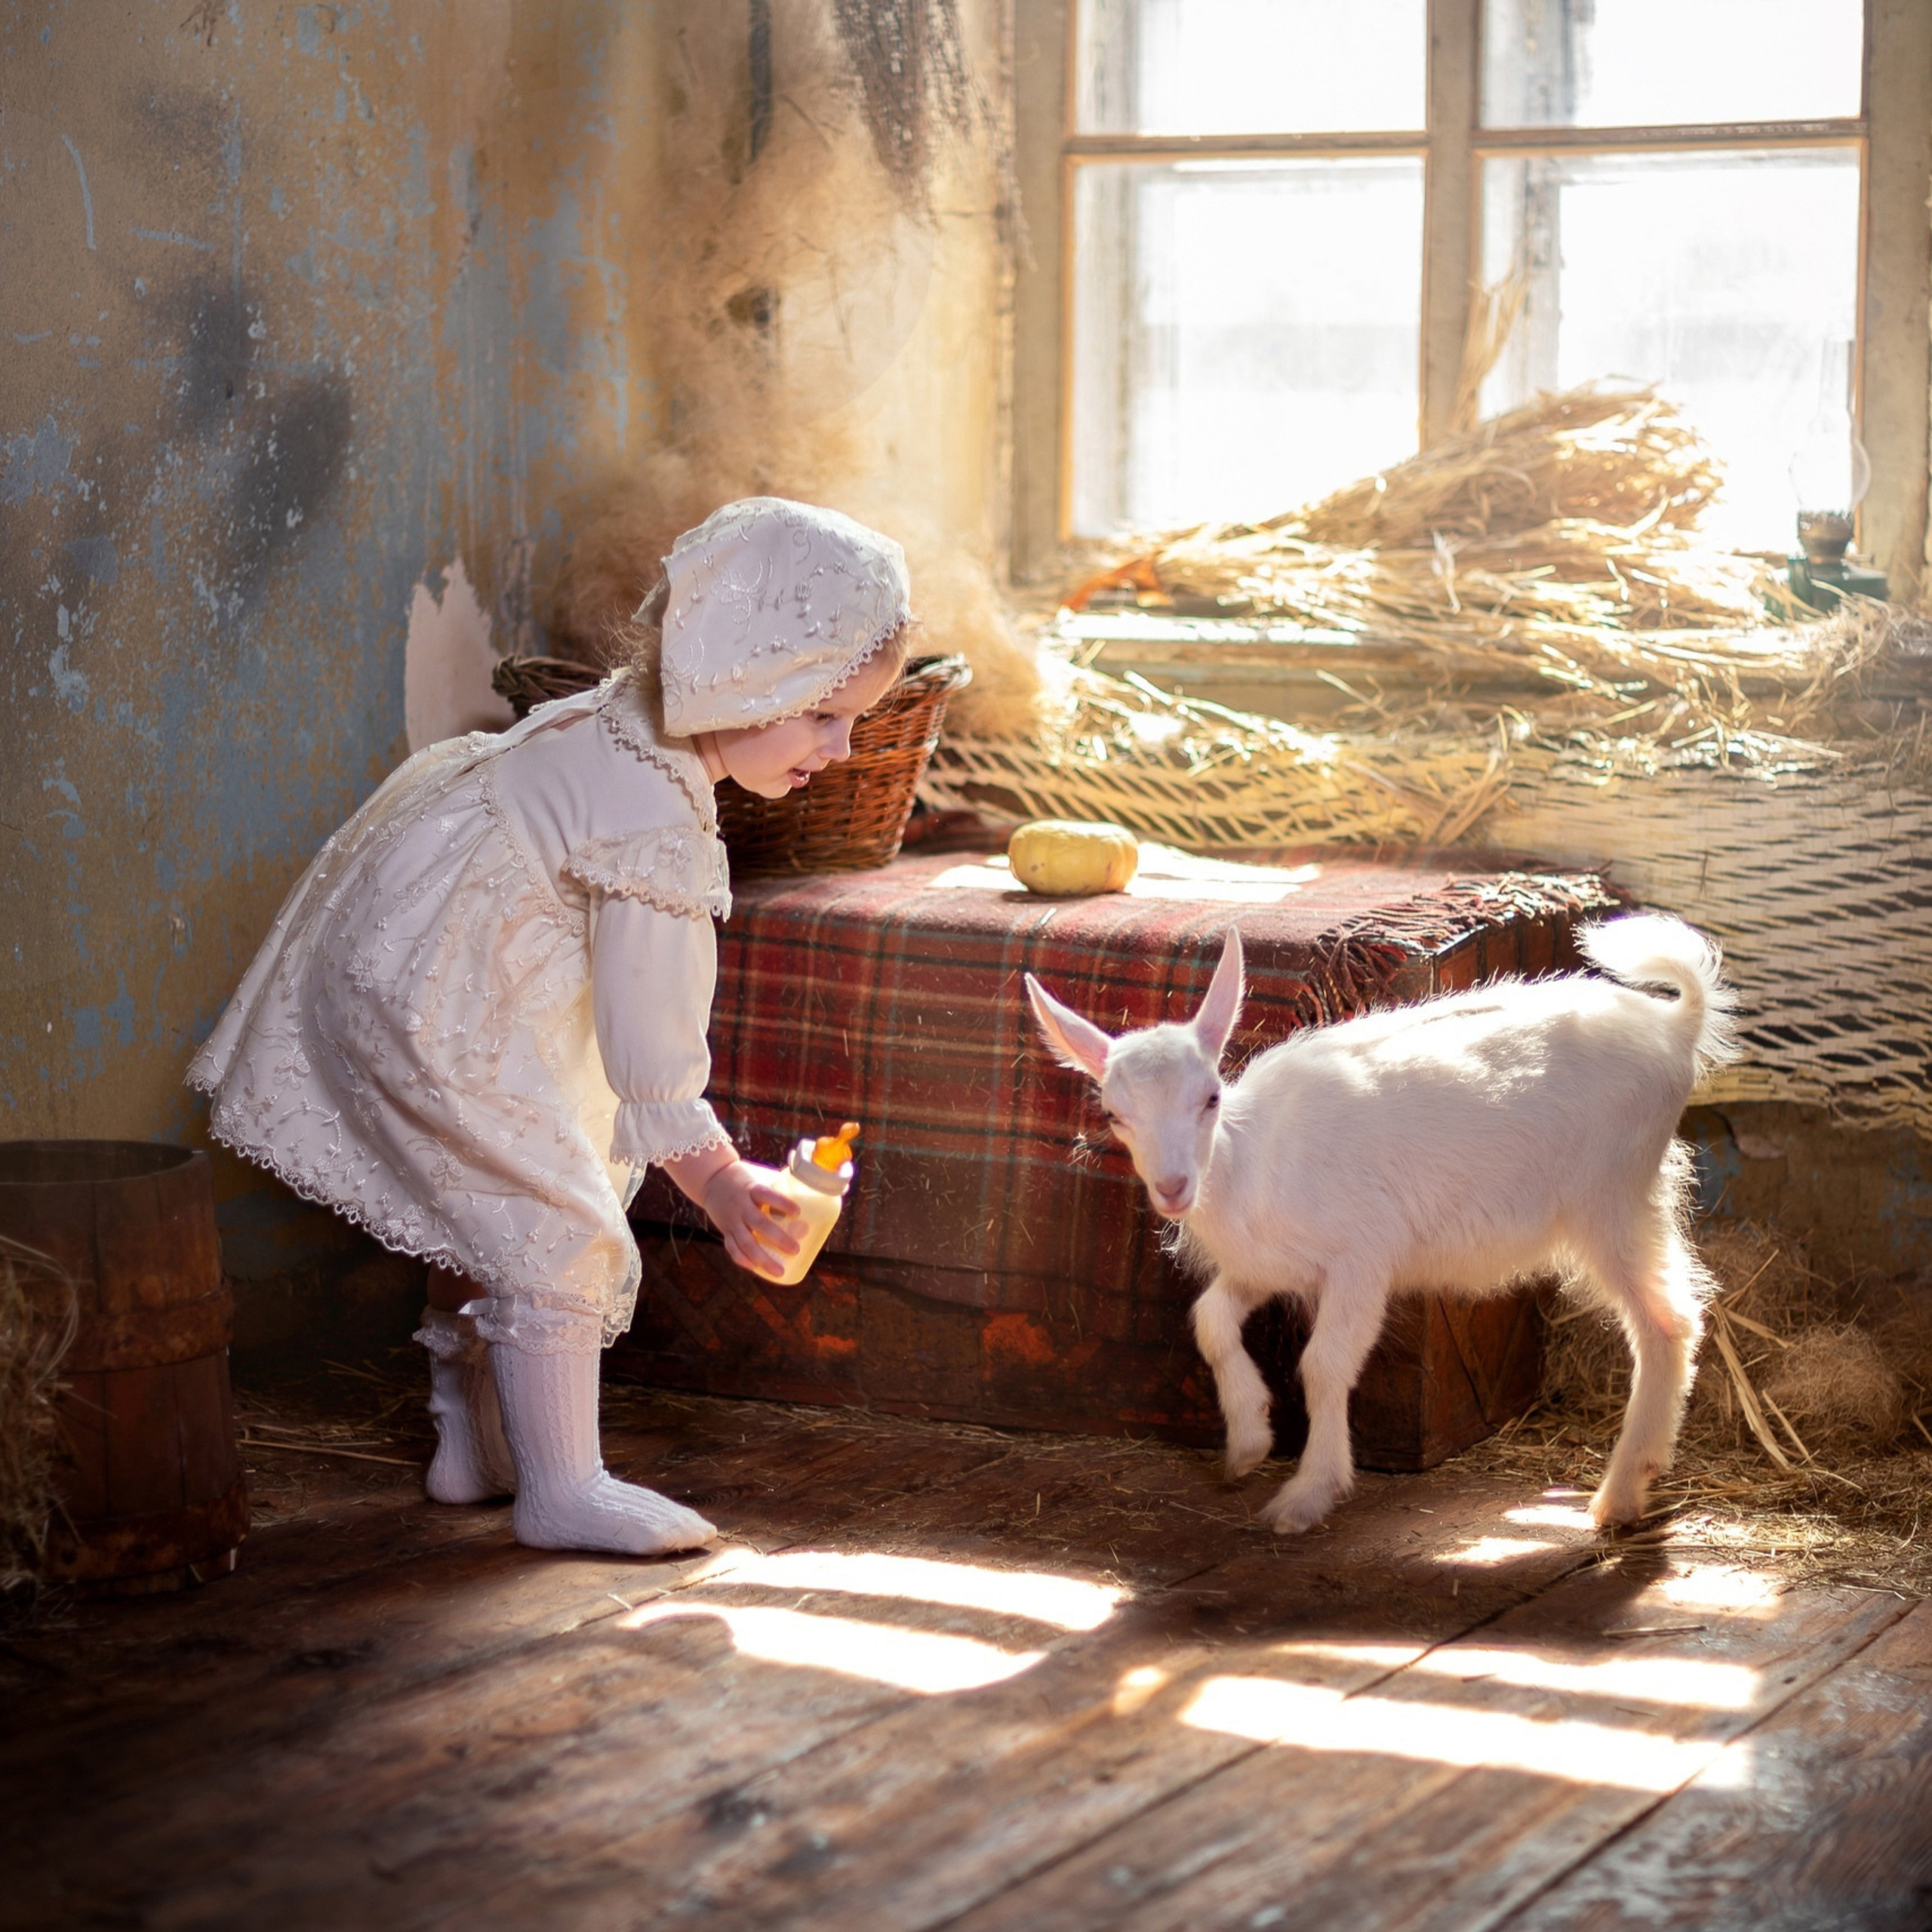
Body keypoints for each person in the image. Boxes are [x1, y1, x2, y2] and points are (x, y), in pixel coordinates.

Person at [188, 498, 911, 1556]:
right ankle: (563, 1486)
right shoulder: (658, 814)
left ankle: (474, 1444)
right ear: (747, 674)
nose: (842, 750)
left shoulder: (616, 716)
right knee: (555, 1219)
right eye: (823, 715)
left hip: (406, 961)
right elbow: (648, 1046)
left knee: (490, 1195)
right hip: (437, 995)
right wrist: (718, 1182)